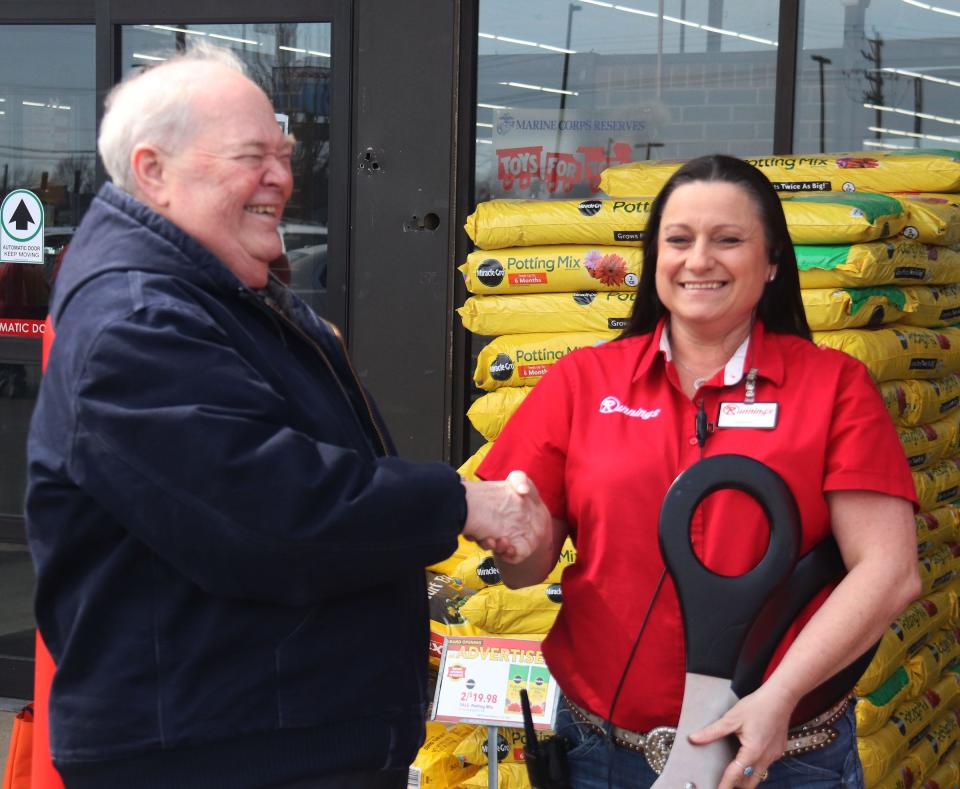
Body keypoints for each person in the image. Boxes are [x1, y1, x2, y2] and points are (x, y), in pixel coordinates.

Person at [25, 45, 548, 789]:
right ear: (153, 172)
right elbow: (273, 516)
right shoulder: (138, 323)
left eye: (284, 153)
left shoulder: (216, 297)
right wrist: (465, 501)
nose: (281, 176)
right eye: (252, 156)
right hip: (220, 756)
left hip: (260, 740)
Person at [476, 154, 920, 789]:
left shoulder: (834, 387)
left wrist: (782, 696)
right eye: (678, 240)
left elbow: (889, 570)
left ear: (771, 264)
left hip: (780, 757)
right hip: (604, 754)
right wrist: (511, 536)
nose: (699, 260)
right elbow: (527, 568)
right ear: (655, 257)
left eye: (729, 240)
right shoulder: (581, 382)